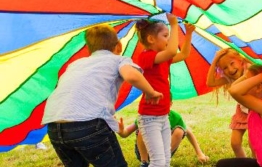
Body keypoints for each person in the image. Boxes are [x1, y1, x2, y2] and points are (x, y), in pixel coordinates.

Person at [42, 24, 163, 167]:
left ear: (89, 49)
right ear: (118, 46)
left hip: (55, 126)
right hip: (87, 124)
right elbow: (131, 75)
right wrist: (151, 92)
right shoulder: (118, 60)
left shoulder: (75, 64)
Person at [135, 14, 195, 167]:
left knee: (166, 160)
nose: (168, 39)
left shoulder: (162, 59)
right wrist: (174, 25)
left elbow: (184, 54)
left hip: (163, 116)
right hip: (150, 117)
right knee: (158, 162)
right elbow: (172, 51)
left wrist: (188, 35)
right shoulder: (146, 57)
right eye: (165, 35)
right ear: (151, 39)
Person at [216, 64, 262, 167]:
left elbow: (234, 91)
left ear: (259, 87)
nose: (244, 83)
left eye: (247, 81)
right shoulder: (259, 104)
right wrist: (247, 75)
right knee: (222, 164)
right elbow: (234, 87)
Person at [116, 110, 209, 167]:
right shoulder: (146, 116)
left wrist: (199, 153)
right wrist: (120, 130)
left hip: (164, 153)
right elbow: (125, 134)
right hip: (145, 153)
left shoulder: (175, 117)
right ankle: (144, 163)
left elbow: (188, 132)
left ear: (170, 104)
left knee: (180, 130)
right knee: (142, 129)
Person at [206, 48, 253, 158]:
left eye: (232, 63)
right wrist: (215, 60)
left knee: (254, 144)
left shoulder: (249, 69)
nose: (230, 69)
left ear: (240, 61)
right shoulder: (228, 78)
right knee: (235, 143)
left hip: (255, 111)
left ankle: (258, 164)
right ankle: (244, 165)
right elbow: (210, 82)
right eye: (225, 68)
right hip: (242, 111)